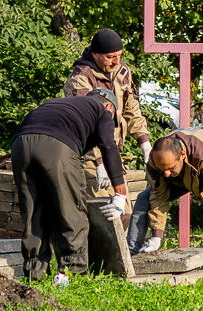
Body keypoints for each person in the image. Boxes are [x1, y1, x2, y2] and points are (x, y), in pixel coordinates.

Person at [11, 90, 128, 279]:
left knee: (33, 210)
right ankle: (74, 273)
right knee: (70, 208)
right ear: (109, 106)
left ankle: (34, 272)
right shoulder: (102, 110)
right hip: (57, 146)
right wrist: (120, 194)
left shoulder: (62, 104)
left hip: (20, 144)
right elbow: (108, 146)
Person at [126, 129, 203, 263]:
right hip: (181, 175)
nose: (166, 174)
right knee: (144, 199)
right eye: (163, 170)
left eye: (170, 168)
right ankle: (130, 256)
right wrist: (157, 235)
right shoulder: (155, 161)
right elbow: (158, 196)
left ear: (182, 154)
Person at [63, 28, 152, 196]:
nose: (116, 61)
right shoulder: (81, 78)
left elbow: (131, 107)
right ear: (95, 54)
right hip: (90, 160)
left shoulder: (121, 70)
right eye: (110, 57)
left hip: (112, 154)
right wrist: (98, 162)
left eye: (119, 55)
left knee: (124, 212)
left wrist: (144, 142)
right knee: (104, 215)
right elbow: (83, 126)